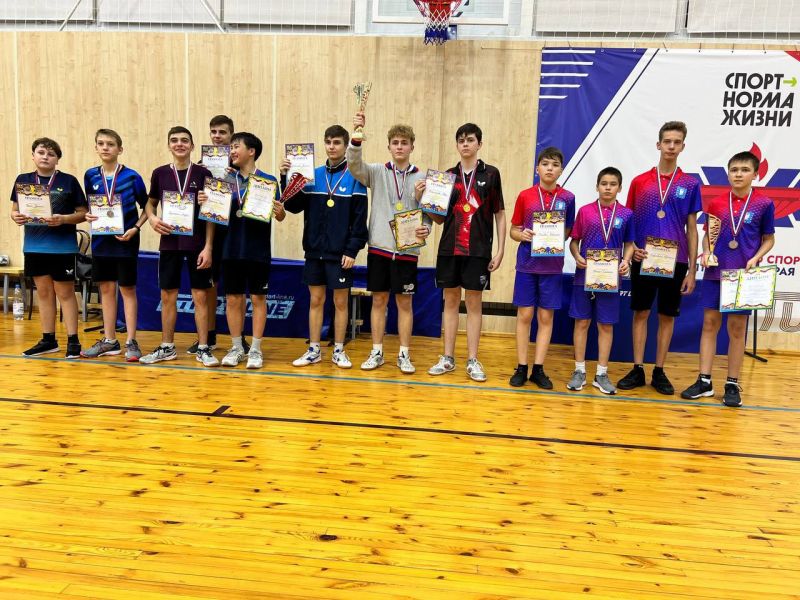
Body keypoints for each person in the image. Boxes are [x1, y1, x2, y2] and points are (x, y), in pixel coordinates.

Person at [680, 151, 775, 407]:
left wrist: (756, 258)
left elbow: (769, 239)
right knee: (709, 324)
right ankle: (704, 381)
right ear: (728, 173)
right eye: (734, 170)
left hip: (743, 276)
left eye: (744, 170)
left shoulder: (764, 204)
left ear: (755, 174)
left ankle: (732, 383)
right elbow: (707, 236)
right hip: (715, 273)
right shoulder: (717, 203)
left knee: (736, 329)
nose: (738, 174)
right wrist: (707, 251)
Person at [617, 121, 702, 395]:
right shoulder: (640, 182)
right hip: (644, 257)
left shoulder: (690, 184)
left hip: (676, 262)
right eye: (667, 141)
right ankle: (638, 368)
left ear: (683, 146)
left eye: (677, 142)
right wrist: (632, 248)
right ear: (658, 144)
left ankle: (659, 370)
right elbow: (628, 221)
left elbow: (692, 228)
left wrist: (691, 270)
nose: (671, 146)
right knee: (641, 312)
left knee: (666, 315)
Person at [346, 111, 430, 374]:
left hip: (407, 250)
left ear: (412, 147)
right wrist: (356, 136)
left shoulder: (423, 178)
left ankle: (404, 354)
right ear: (389, 147)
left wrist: (426, 227)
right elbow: (353, 165)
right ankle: (377, 351)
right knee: (379, 301)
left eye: (404, 143)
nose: (400, 147)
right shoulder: (377, 172)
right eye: (395, 143)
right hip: (380, 248)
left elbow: (428, 214)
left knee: (405, 303)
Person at [282, 125, 368, 369]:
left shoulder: (356, 178)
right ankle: (314, 349)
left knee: (340, 303)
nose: (332, 146)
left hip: (340, 254)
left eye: (337, 142)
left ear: (345, 146)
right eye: (328, 142)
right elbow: (292, 206)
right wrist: (286, 176)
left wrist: (352, 250)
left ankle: (339, 349)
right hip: (314, 250)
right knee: (316, 300)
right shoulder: (311, 175)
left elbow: (359, 219)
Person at [428, 123, 505, 382]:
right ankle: (447, 357)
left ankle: (472, 359)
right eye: (461, 140)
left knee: (473, 303)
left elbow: (499, 213)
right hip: (449, 249)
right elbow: (438, 219)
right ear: (457, 145)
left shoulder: (491, 174)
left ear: (479, 144)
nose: (465, 144)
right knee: (450, 302)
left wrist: (500, 250)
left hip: (478, 250)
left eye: (470, 139)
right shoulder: (447, 177)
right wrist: (424, 199)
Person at [203, 132, 284, 369]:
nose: (232, 151)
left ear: (251, 151)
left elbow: (279, 215)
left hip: (258, 250)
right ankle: (237, 347)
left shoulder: (268, 181)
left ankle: (256, 349)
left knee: (258, 298)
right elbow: (212, 214)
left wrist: (280, 212)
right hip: (230, 249)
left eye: (236, 146)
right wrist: (205, 201)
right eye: (231, 148)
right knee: (233, 299)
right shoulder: (225, 180)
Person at [141, 126, 218, 366]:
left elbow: (211, 214)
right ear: (169, 145)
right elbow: (150, 203)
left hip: (197, 244)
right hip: (169, 242)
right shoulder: (160, 173)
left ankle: (204, 347)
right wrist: (152, 218)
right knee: (167, 295)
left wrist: (208, 247)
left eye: (185, 140)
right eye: (174, 140)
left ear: (192, 146)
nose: (179, 144)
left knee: (200, 296)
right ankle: (167, 346)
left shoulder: (204, 173)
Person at [10, 138, 87, 358]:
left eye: (51, 154)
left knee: (65, 293)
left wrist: (64, 219)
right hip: (34, 247)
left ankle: (73, 341)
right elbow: (14, 210)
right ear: (33, 155)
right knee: (43, 293)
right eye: (41, 152)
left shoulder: (69, 181)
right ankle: (48, 340)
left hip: (62, 248)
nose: (45, 157)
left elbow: (83, 213)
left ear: (57, 159)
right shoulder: (23, 180)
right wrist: (15, 216)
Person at [508, 146, 575, 388]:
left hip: (552, 267)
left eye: (555, 165)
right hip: (527, 264)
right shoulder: (525, 196)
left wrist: (553, 239)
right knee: (525, 315)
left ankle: (538, 368)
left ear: (561, 170)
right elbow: (513, 230)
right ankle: (521, 366)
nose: (550, 168)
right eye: (545, 164)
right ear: (537, 169)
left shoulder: (568, 198)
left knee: (546, 317)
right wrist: (522, 235)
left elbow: (568, 230)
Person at [81, 129, 149, 361]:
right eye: (101, 143)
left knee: (127, 290)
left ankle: (131, 340)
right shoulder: (90, 176)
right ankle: (109, 340)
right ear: (96, 148)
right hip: (101, 242)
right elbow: (90, 206)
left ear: (120, 149)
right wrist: (88, 215)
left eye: (110, 144)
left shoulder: (132, 177)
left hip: (125, 242)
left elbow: (148, 207)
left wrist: (136, 228)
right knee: (106, 290)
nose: (105, 147)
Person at [567, 167, 635, 394]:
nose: (608, 188)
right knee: (581, 323)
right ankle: (579, 370)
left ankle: (602, 374)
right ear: (597, 186)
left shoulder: (626, 214)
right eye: (604, 183)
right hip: (584, 276)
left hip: (610, 279)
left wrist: (626, 260)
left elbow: (629, 244)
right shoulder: (585, 211)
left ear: (620, 188)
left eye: (612, 184)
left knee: (605, 325)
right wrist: (576, 256)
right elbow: (574, 241)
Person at [186, 114, 249, 355]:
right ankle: (209, 336)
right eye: (213, 132)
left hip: (235, 231)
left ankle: (239, 339)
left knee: (236, 289)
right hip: (209, 231)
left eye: (222, 132)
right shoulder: (200, 166)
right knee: (209, 285)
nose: (217, 136)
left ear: (231, 135)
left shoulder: (242, 165)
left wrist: (232, 178)